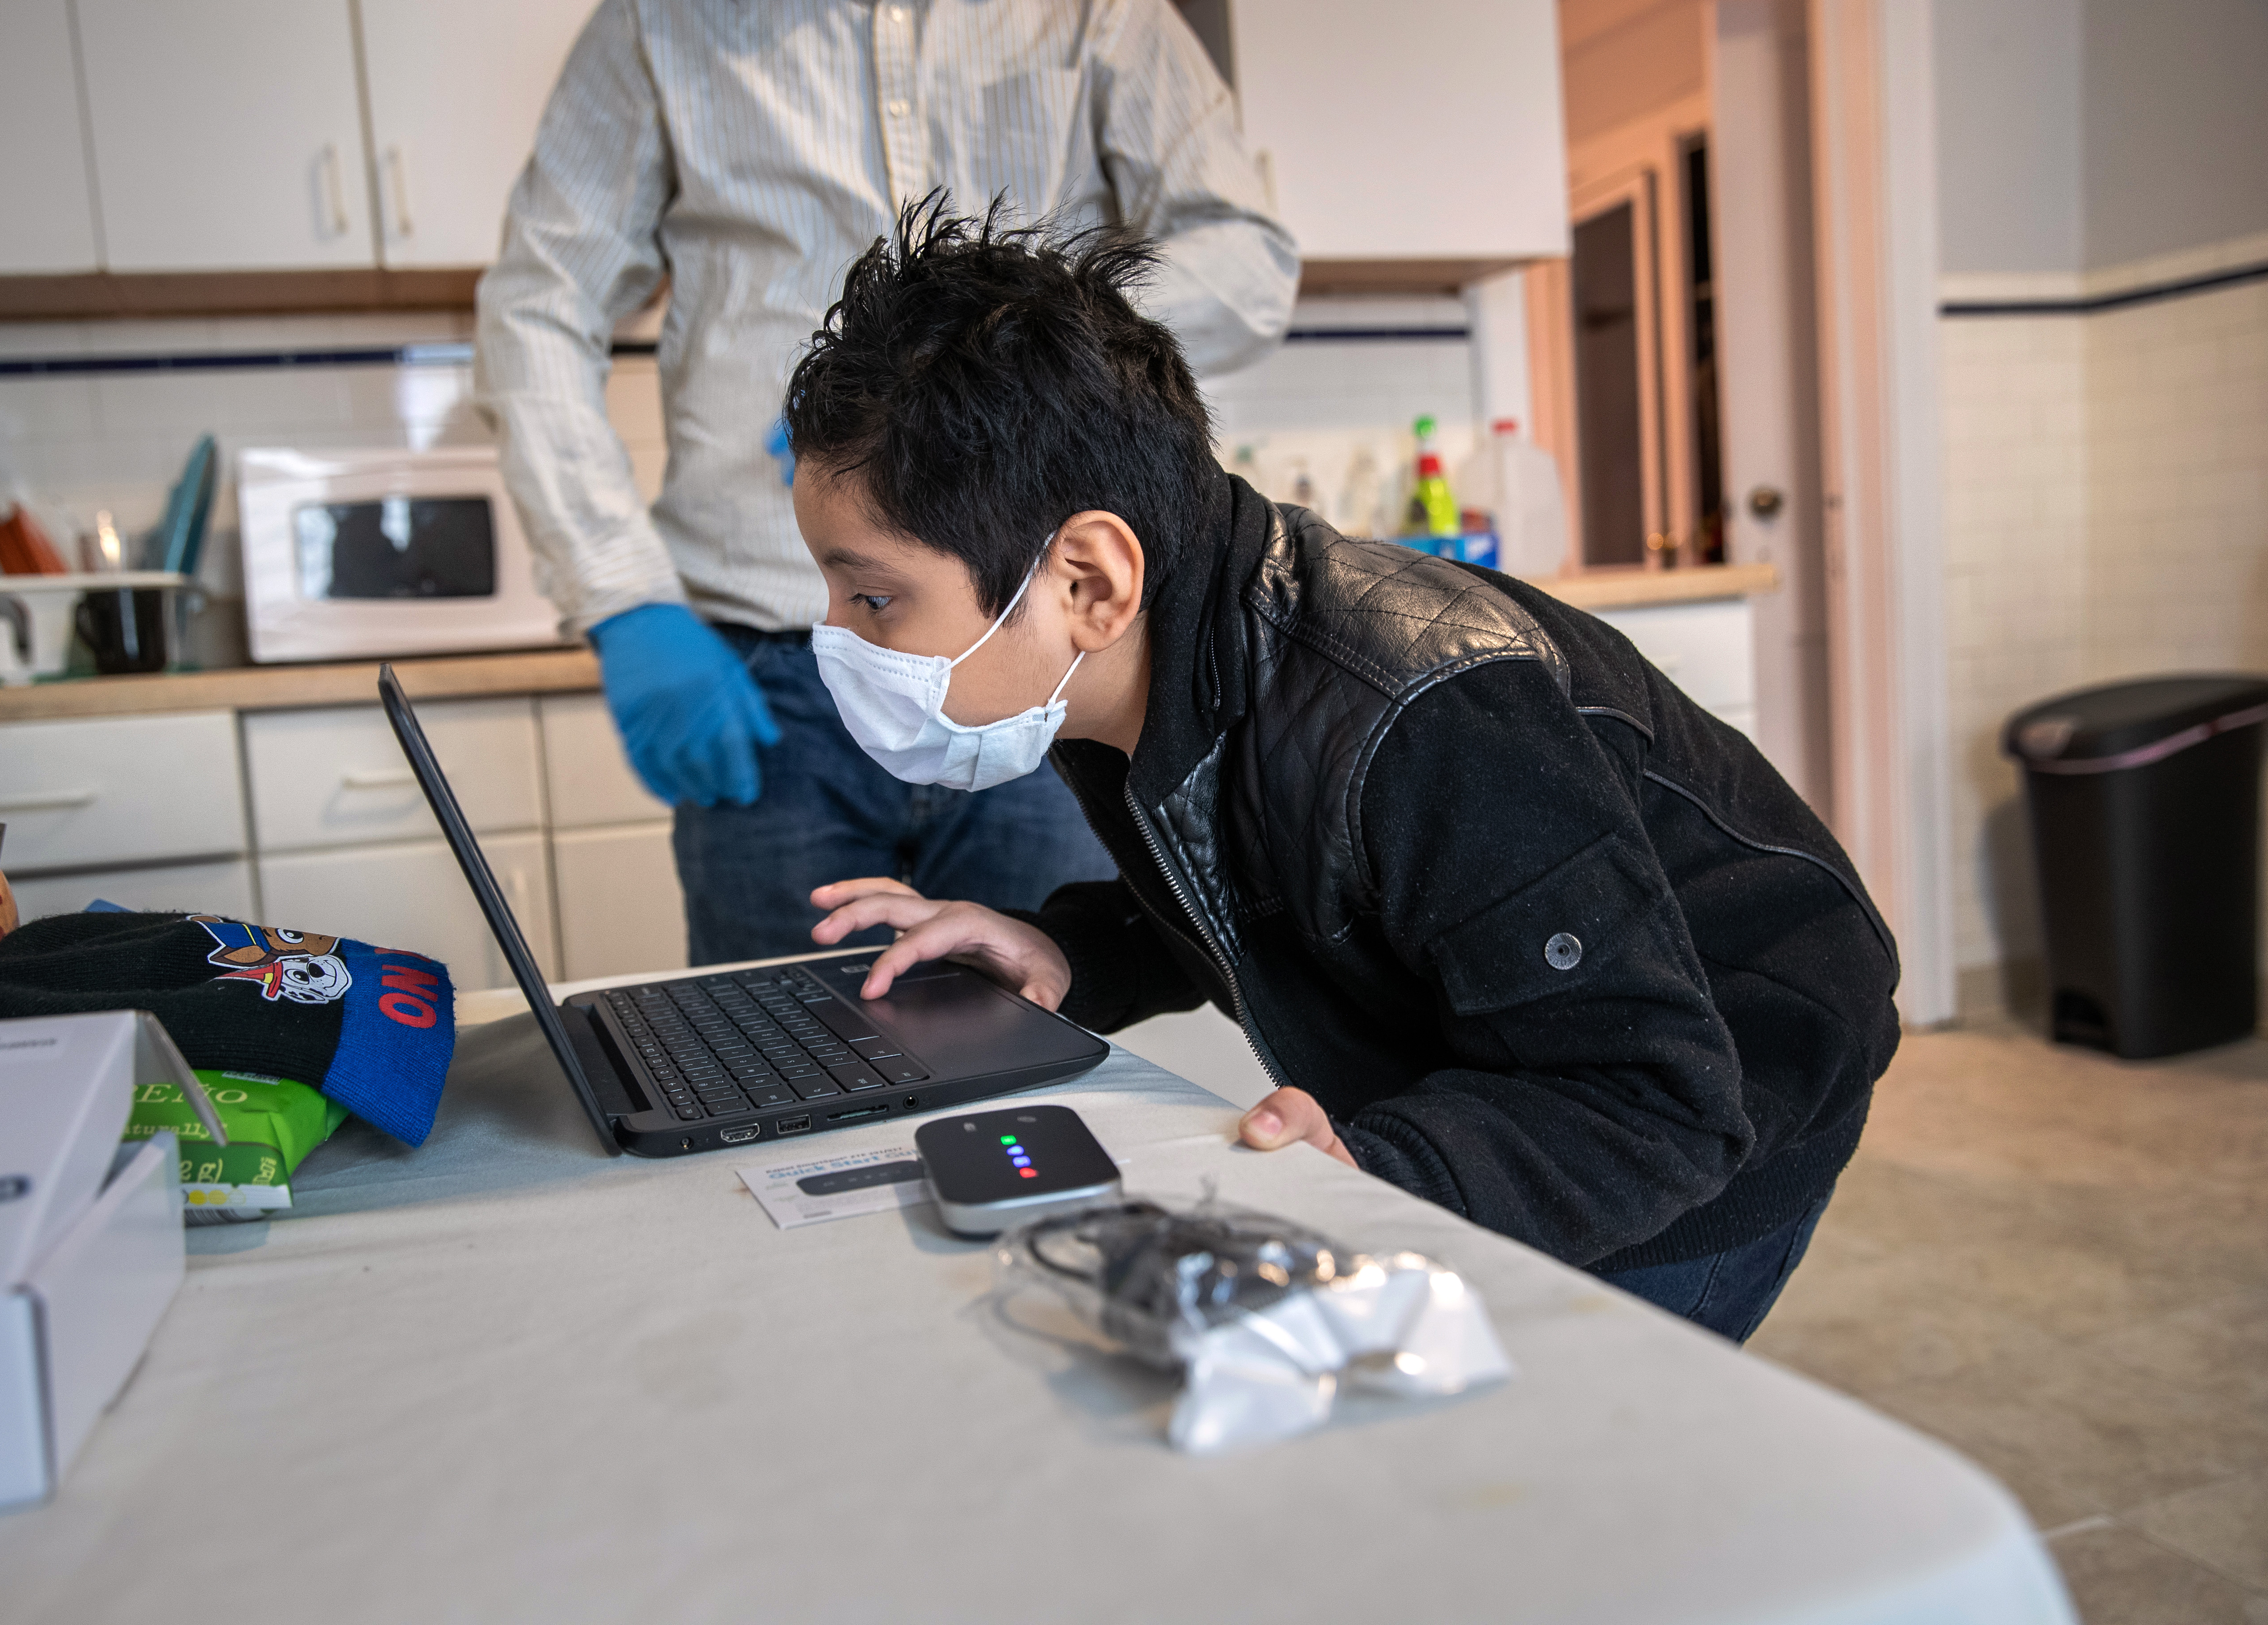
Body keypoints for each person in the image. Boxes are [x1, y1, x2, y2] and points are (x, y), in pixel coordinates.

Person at [783, 205, 1901, 1343]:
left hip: (1694, 1119)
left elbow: (1652, 1100)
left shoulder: (1426, 713)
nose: (836, 638)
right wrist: (1076, 949)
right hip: (1516, 1073)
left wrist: (1371, 1169)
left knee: (1558, 1452)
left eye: (873, 598)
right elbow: (1256, 873)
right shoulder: (1119, 661)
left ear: (1086, 578)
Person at [475, 0, 1297, 964]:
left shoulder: (1098, 13)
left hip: (1033, 663)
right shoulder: (661, 23)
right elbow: (538, 305)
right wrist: (621, 597)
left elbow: (1247, 258)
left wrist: (997, 380)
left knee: (1047, 1040)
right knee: (779, 1073)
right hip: (767, 676)